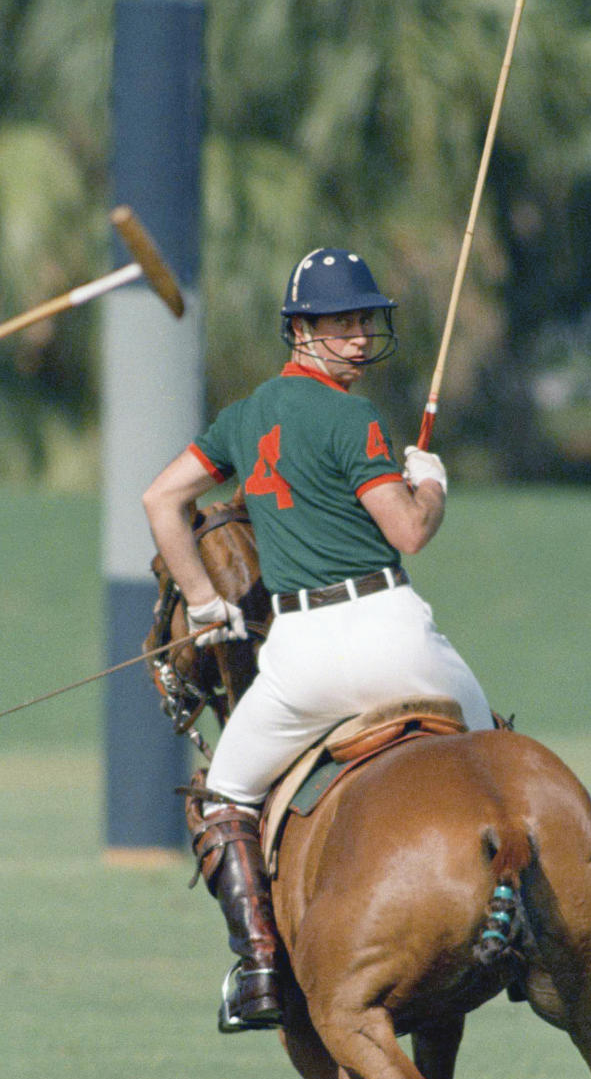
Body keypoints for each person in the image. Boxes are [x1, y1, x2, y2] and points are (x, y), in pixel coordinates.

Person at [142, 247, 494, 1031]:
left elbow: (162, 499)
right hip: (399, 636)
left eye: (366, 321)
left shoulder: (244, 417)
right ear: (301, 330)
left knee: (224, 799)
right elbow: (407, 529)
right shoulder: (355, 418)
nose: (361, 338)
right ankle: (525, 922)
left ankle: (261, 966)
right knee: (496, 759)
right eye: (342, 323)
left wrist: (203, 601)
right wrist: (430, 484)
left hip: (302, 655)